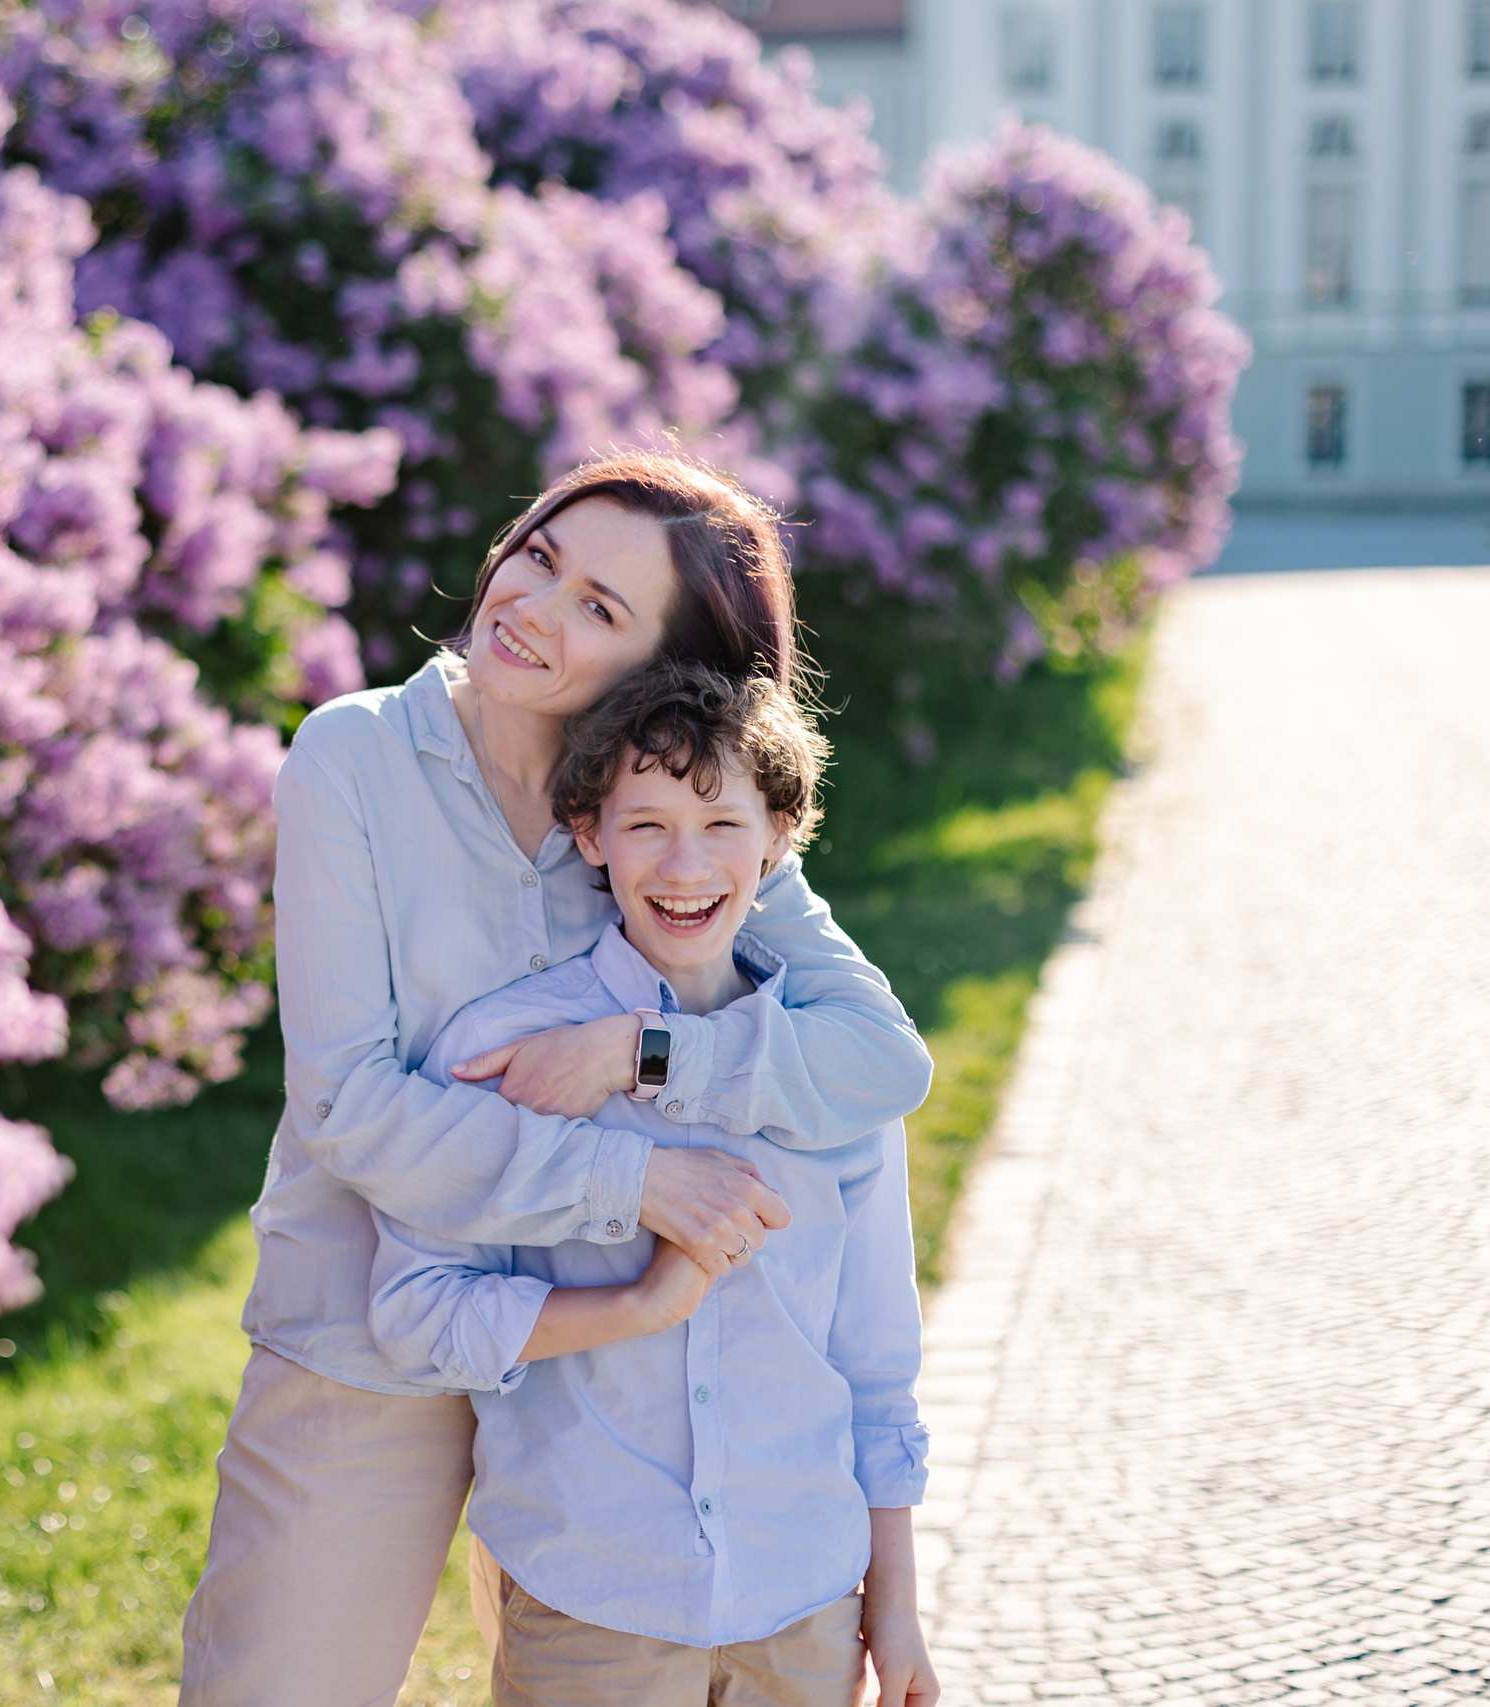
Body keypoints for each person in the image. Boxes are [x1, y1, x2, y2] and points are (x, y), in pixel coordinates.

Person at [176, 450, 932, 1707]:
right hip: (378, 1329)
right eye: (539, 558)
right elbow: (348, 1103)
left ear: (662, 663)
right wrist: (632, 1179)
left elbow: (877, 1060)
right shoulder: (353, 757)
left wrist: (641, 1055)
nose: (532, 609)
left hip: (603, 1411)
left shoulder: (663, 803)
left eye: (601, 608)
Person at [369, 662, 937, 1707]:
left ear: (778, 838)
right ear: (586, 835)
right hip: (593, 1604)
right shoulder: (504, 1052)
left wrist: (891, 1607)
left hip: (802, 1602)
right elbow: (415, 1314)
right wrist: (629, 1306)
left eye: (722, 823)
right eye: (645, 826)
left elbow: (873, 1366)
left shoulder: (831, 1071)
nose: (685, 865)